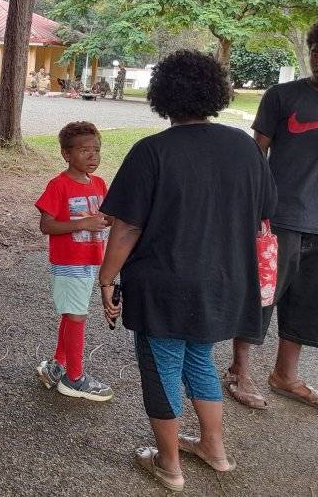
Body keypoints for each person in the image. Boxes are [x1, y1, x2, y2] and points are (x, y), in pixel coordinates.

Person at [98, 51, 277, 492]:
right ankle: (214, 450)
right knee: (199, 360)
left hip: (165, 286)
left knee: (161, 367)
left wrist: (105, 279)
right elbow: (263, 215)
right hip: (224, 282)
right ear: (215, 92)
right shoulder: (244, 147)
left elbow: (126, 228)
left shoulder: (151, 151)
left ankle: (169, 464)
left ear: (164, 96)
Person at [226, 19, 318, 410]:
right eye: (316, 52)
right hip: (280, 217)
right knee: (261, 295)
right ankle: (239, 370)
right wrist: (256, 206)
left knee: (307, 301)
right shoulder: (283, 96)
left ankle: (285, 375)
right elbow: (255, 152)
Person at [35, 121, 114, 401]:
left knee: (72, 312)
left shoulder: (100, 183)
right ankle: (75, 379)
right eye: (84, 151)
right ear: (67, 154)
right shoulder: (58, 185)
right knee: (77, 315)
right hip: (69, 262)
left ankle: (59, 365)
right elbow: (47, 225)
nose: (93, 156)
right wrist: (84, 223)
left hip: (90, 260)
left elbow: (106, 218)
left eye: (96, 150)